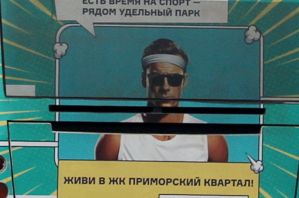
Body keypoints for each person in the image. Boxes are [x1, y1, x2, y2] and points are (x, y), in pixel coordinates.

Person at [94, 38, 228, 162]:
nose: (165, 87)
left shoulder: (210, 140)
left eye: (174, 79)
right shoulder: (116, 139)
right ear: (144, 80)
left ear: (184, 81)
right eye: (156, 79)